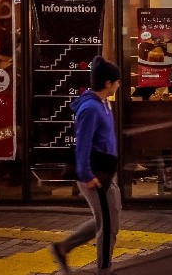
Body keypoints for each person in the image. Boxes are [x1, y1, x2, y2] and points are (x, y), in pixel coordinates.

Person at [50, 57, 121, 275]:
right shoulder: (91, 108)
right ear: (108, 83)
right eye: (117, 81)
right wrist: (86, 174)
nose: (119, 84)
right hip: (95, 174)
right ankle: (104, 270)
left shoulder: (103, 103)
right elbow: (82, 143)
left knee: (110, 221)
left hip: (107, 171)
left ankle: (62, 248)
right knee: (107, 227)